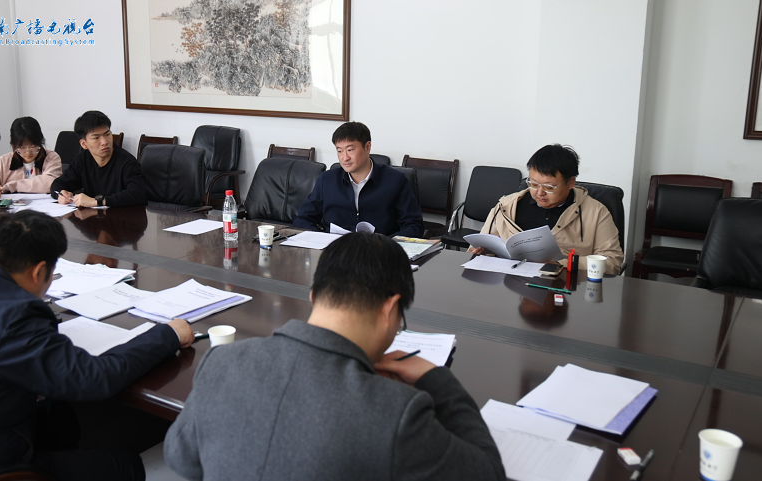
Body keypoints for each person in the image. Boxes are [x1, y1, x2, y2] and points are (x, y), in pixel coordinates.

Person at [164, 232, 505, 481]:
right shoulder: (396, 412)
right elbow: (487, 472)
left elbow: (181, 458)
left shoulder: (222, 363)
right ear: (390, 309)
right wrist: (436, 378)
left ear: (314, 296)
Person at [0, 211, 194, 481]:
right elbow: (94, 378)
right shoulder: (14, 316)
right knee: (124, 465)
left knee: (61, 415)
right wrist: (167, 335)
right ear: (38, 271)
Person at [470, 144, 624, 275]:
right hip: (512, 284)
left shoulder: (596, 212)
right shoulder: (507, 206)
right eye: (533, 184)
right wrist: (478, 252)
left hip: (566, 287)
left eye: (549, 187)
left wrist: (561, 264)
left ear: (571, 182)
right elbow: (483, 245)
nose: (539, 192)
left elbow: (613, 262)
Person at [293, 122, 424, 237]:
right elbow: (303, 219)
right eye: (340, 151)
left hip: (379, 251)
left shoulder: (395, 180)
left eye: (350, 150)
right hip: (335, 250)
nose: (345, 158)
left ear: (367, 147)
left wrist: (386, 243)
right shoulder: (327, 180)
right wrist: (322, 238)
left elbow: (414, 226)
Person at [50, 110, 147, 207]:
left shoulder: (127, 162)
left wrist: (97, 201)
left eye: (107, 134)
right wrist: (60, 193)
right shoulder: (83, 159)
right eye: (96, 138)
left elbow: (138, 194)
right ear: (84, 144)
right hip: (93, 214)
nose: (104, 142)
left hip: (123, 215)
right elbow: (59, 183)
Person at [0, 116, 61, 198]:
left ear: (40, 142)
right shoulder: (3, 161)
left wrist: (12, 186)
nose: (28, 153)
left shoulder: (51, 157)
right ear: (14, 146)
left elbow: (50, 183)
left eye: (33, 147)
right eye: (22, 148)